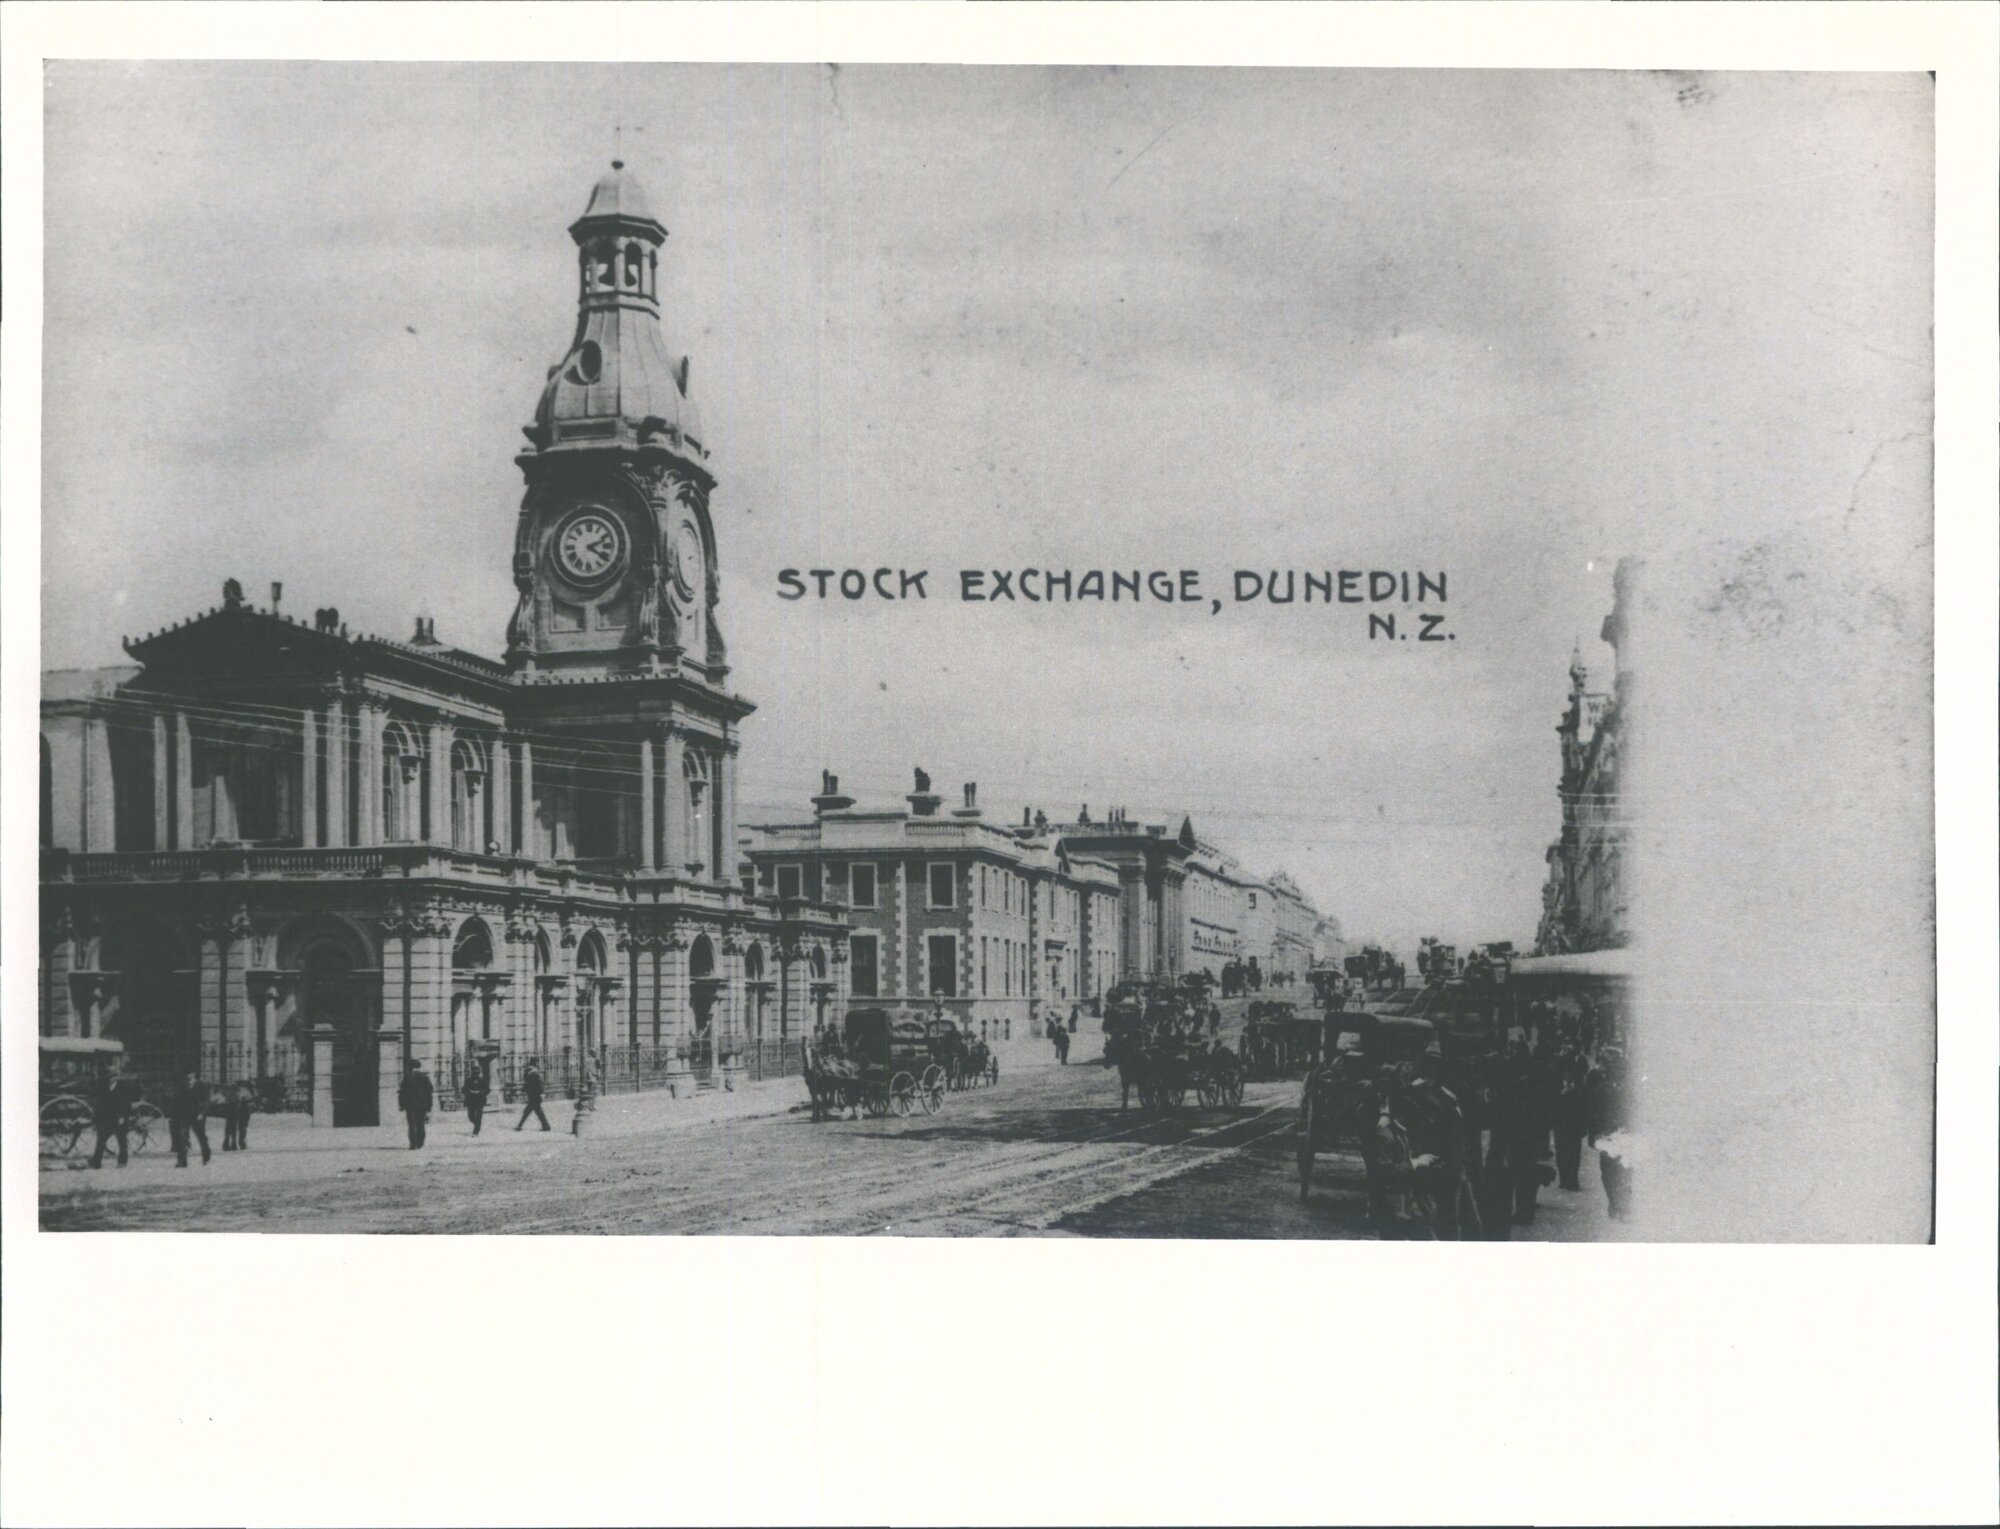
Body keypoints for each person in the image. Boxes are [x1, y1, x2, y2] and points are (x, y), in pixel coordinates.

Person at [87, 1061, 142, 1169]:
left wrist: (123, 1116)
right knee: (101, 1140)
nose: (110, 1079)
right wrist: (97, 1119)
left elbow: (126, 1104)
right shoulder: (104, 1088)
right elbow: (100, 1104)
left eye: (112, 1077)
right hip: (107, 1119)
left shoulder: (123, 1088)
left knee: (121, 1140)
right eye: (109, 1077)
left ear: (116, 1078)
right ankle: (96, 1161)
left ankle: (122, 1161)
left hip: (119, 1119)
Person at [167, 1069, 213, 1168]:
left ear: (194, 1075)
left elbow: (207, 1101)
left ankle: (206, 1157)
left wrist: (202, 1113)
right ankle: (182, 1161)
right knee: (182, 1136)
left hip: (197, 1116)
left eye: (190, 1075)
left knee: (201, 1137)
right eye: (187, 1076)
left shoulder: (201, 1085)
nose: (188, 1078)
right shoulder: (182, 1085)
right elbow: (177, 1100)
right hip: (185, 1115)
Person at [398, 1059, 434, 1149]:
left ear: (411, 1067)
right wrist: (429, 1106)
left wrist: (401, 1105)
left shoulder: (407, 1077)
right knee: (420, 1124)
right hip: (422, 1106)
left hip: (410, 1106)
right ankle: (420, 1143)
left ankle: (413, 1144)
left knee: (411, 1125)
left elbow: (402, 1092)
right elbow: (430, 1092)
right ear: (419, 1066)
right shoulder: (425, 1077)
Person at [516, 1059, 550, 1132]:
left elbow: (527, 1083)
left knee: (529, 1111)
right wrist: (542, 1093)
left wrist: (523, 1090)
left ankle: (519, 1125)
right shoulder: (535, 1073)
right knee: (537, 1111)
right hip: (536, 1095)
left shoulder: (528, 1072)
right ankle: (546, 1126)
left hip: (532, 1095)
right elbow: (540, 1084)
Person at [463, 1060, 490, 1136]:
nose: (475, 1075)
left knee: (478, 1115)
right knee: (470, 1116)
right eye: (474, 1073)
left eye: (477, 1073)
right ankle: (477, 1124)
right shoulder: (468, 1081)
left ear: (479, 1073)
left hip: (479, 1100)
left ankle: (476, 1131)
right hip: (471, 1100)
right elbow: (464, 1089)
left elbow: (487, 1090)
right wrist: (470, 1091)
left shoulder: (483, 1080)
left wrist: (479, 1092)